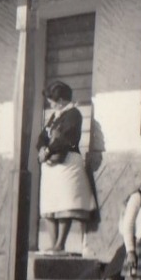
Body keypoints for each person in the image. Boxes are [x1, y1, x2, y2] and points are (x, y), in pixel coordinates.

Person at [36, 81, 97, 254]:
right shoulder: (55, 115)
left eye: (52, 100)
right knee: (50, 204)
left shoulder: (73, 114)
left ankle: (60, 244)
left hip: (66, 162)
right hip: (50, 164)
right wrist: (42, 148)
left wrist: (48, 150)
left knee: (64, 203)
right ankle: (53, 243)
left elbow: (67, 137)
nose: (50, 104)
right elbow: (42, 136)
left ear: (61, 100)